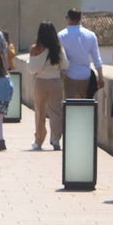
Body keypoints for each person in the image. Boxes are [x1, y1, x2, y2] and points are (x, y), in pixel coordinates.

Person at [27, 22, 67, 151]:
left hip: (40, 82)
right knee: (56, 111)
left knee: (40, 111)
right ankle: (56, 138)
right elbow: (66, 65)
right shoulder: (58, 48)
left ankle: (39, 140)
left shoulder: (35, 48)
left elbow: (31, 69)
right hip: (55, 82)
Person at [58, 8, 104, 99]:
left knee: (69, 105)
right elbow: (97, 59)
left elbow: (59, 58)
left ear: (68, 18)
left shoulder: (61, 35)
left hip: (68, 74)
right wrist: (100, 77)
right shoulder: (90, 35)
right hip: (85, 75)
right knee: (85, 105)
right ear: (80, 18)